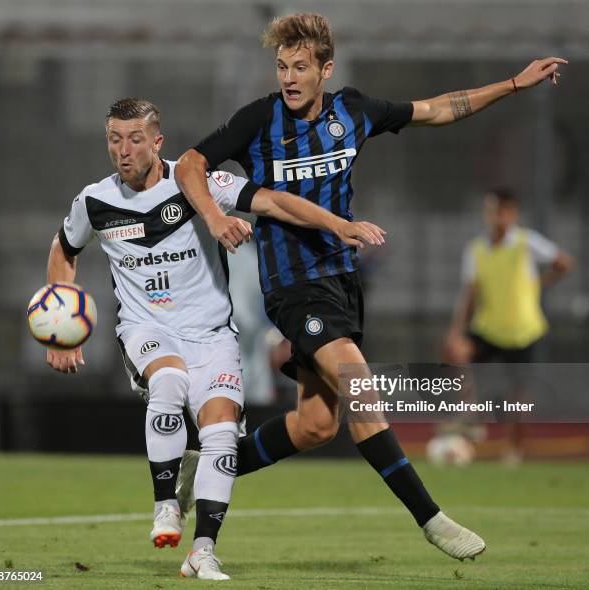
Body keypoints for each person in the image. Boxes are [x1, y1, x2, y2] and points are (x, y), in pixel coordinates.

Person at [175, 12, 567, 561]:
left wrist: (511, 85)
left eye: (300, 67)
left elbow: (437, 109)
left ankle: (211, 465)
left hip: (341, 284)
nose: (288, 78)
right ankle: (430, 519)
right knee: (360, 384)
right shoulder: (257, 120)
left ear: (325, 70)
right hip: (292, 287)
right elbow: (190, 165)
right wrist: (217, 219)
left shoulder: (352, 111)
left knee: (315, 425)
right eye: (282, 67)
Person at [45, 98, 387, 580]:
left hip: (211, 334)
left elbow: (273, 200)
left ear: (157, 142)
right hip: (147, 329)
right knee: (168, 384)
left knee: (222, 435)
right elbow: (63, 250)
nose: (124, 150)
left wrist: (337, 223)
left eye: (135, 138)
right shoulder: (95, 201)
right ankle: (165, 505)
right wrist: (62, 326)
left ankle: (202, 550)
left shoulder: (195, 184)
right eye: (114, 139)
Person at [443, 188, 574, 461]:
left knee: (519, 394)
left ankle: (514, 450)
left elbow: (563, 263)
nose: (494, 217)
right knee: (457, 353)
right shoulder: (476, 249)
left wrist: (538, 284)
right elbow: (470, 294)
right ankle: (472, 416)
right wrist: (457, 331)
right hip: (489, 327)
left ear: (512, 214)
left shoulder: (527, 242)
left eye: (500, 211)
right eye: (490, 211)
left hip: (523, 331)